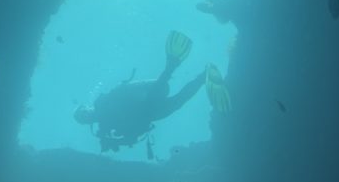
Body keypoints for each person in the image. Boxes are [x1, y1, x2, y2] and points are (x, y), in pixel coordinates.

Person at [74, 30, 230, 153]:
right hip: (150, 114)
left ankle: (171, 65)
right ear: (86, 123)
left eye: (83, 113)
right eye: (83, 119)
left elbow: (122, 92)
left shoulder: (102, 102)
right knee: (178, 102)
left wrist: (141, 91)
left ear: (86, 107)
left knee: (159, 91)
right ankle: (202, 77)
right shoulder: (104, 129)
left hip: (144, 99)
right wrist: (114, 142)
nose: (86, 117)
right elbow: (130, 139)